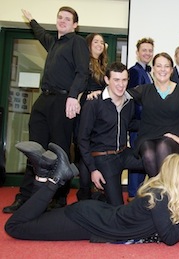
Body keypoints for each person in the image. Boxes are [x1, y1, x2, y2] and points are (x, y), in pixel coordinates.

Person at [5, 141, 179, 245]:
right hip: (89, 223)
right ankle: (54, 179)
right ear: (176, 178)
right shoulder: (160, 195)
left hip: (94, 216)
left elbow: (165, 226)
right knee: (15, 227)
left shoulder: (163, 193)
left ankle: (42, 174)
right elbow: (169, 237)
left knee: (35, 218)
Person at [3, 7, 89, 213]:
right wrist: (32, 20)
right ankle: (24, 197)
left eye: (67, 19)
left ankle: (57, 200)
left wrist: (72, 96)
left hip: (62, 100)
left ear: (75, 25)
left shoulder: (76, 42)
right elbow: (42, 34)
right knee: (34, 150)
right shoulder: (53, 43)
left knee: (59, 151)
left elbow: (82, 72)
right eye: (60, 17)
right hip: (44, 100)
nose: (62, 21)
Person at [78, 62, 146, 206]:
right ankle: (96, 199)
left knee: (154, 162)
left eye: (124, 80)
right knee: (117, 208)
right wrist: (93, 169)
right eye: (116, 80)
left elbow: (129, 124)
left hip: (123, 153)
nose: (120, 85)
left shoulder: (129, 102)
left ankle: (156, 203)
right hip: (104, 158)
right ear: (107, 80)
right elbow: (82, 139)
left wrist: (155, 126)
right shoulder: (94, 104)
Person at [127, 52, 179, 178]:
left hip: (171, 137)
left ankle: (164, 191)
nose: (162, 70)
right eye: (159, 66)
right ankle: (161, 190)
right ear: (153, 69)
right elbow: (121, 93)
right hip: (147, 136)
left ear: (171, 70)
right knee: (148, 154)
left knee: (163, 147)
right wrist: (100, 93)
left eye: (166, 66)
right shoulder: (144, 90)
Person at [75, 33, 108, 201]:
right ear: (88, 44)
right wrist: (86, 95)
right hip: (85, 111)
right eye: (96, 41)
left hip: (97, 113)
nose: (100, 44)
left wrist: (100, 92)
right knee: (84, 150)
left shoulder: (102, 65)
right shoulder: (84, 62)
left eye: (102, 42)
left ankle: (91, 192)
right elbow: (79, 85)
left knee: (92, 150)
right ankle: (84, 193)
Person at [127, 37, 154, 202]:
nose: (147, 53)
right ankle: (132, 195)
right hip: (139, 124)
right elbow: (134, 98)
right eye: (144, 50)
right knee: (137, 160)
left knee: (145, 160)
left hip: (147, 125)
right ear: (137, 53)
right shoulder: (135, 71)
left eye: (150, 50)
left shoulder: (148, 72)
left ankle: (138, 194)